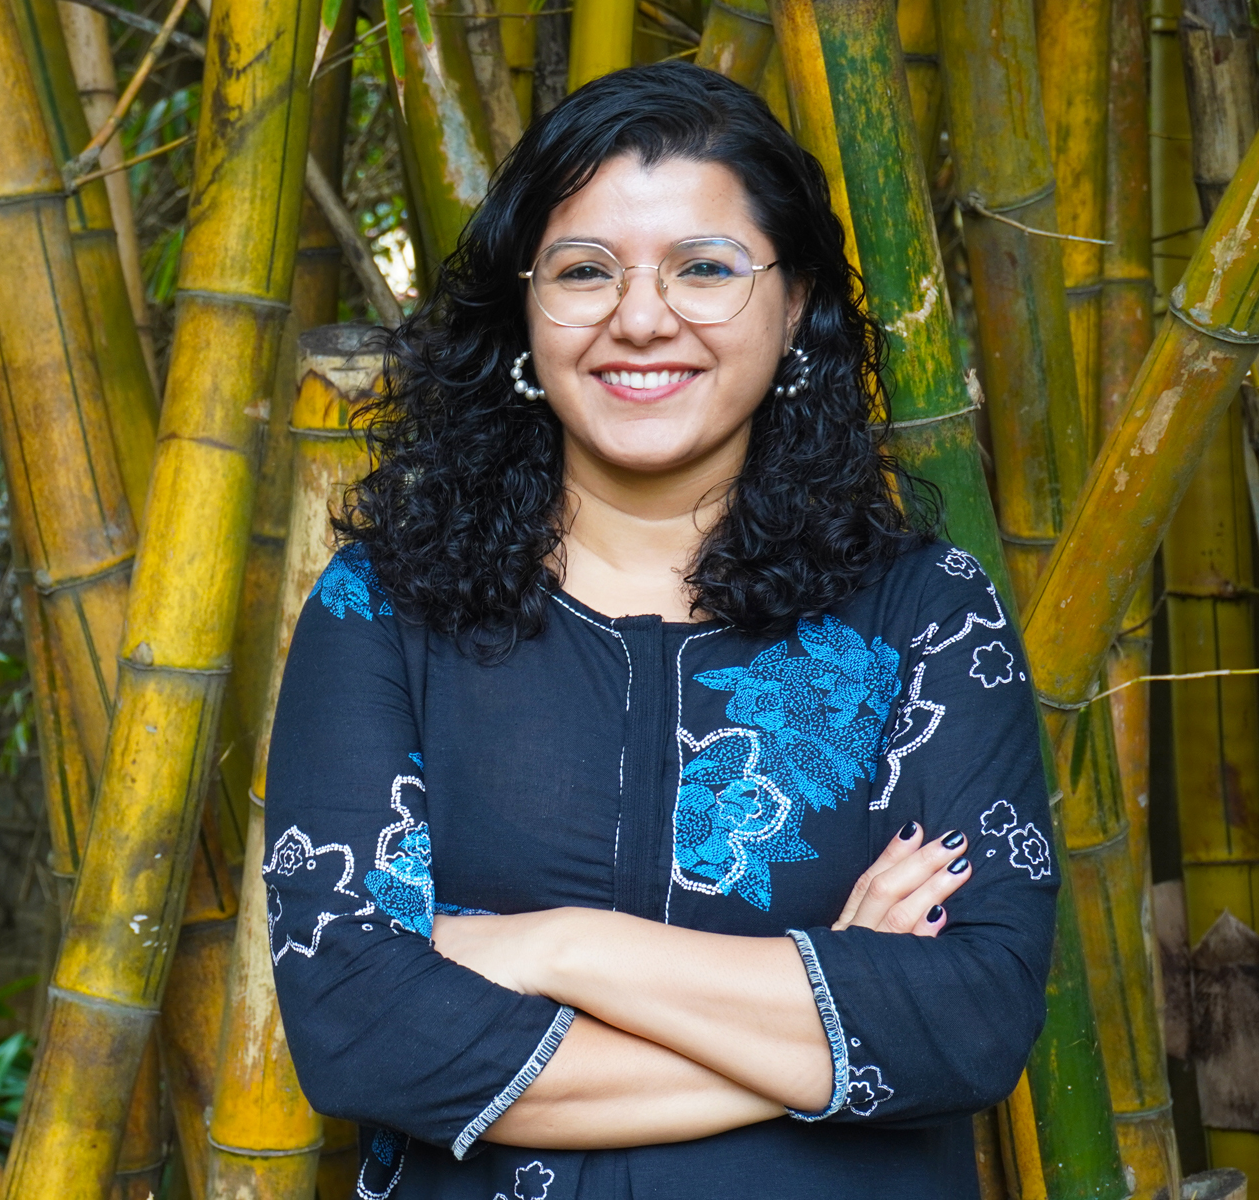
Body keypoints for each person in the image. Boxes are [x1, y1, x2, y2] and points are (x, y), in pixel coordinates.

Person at [263, 61, 1055, 1199]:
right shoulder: (383, 607)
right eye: (584, 271)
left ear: (793, 309)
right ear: (521, 309)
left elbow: (970, 1023)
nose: (640, 317)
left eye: (704, 269)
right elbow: (355, 1027)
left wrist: (552, 947)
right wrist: (824, 1000)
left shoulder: (922, 613)